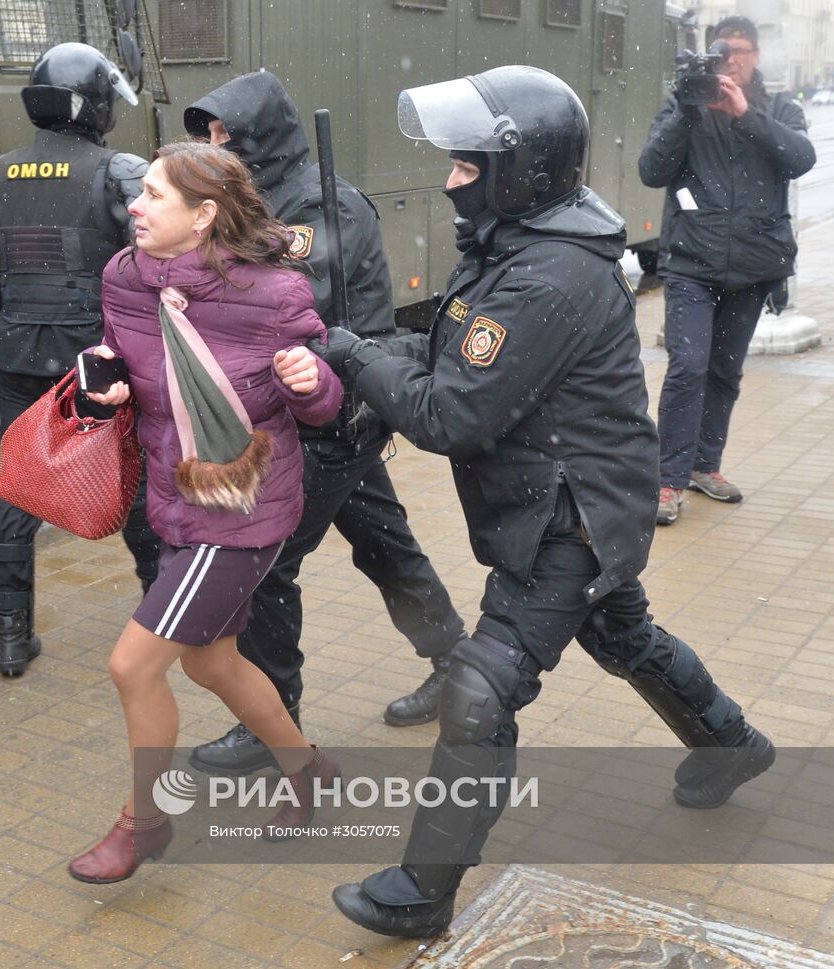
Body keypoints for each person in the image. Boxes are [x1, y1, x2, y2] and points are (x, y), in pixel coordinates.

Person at [315, 66, 775, 939]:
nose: (451, 176)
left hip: (573, 516)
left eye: (467, 162)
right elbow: (454, 357)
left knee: (480, 687)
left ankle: (421, 890)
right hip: (577, 498)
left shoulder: (546, 275)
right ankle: (732, 745)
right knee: (622, 633)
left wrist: (350, 354)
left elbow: (450, 411)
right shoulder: (516, 245)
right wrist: (377, 353)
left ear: (518, 170)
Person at [123, 73, 465, 775]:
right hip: (325, 415)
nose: (214, 145)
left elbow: (283, 306)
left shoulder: (316, 209)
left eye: (225, 134)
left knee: (266, 570)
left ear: (261, 137)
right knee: (384, 541)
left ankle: (274, 719)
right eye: (209, 134)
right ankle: (455, 663)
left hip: (328, 419)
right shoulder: (263, 202)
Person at [66, 140, 344, 884]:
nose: (136, 204)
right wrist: (109, 385)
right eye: (142, 192)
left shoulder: (274, 295)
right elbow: (119, 357)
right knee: (210, 660)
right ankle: (308, 771)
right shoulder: (124, 278)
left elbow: (324, 404)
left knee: (132, 664)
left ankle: (144, 822)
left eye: (155, 194)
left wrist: (308, 379)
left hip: (243, 511)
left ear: (204, 216)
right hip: (175, 501)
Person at [0, 42, 149, 677]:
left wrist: (0, 346)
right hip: (102, 363)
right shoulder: (122, 171)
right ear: (93, 104)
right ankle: (166, 620)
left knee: (18, 489)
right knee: (137, 483)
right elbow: (154, 276)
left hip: (20, 357)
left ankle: (12, 638)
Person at [638, 16, 815, 525]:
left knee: (725, 373)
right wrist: (689, 114)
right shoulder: (683, 107)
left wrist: (745, 115)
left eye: (740, 50)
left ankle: (704, 466)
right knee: (688, 367)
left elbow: (800, 159)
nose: (731, 60)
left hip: (755, 265)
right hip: (692, 263)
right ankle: (667, 481)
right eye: (722, 51)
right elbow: (652, 170)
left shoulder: (778, 108)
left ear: (756, 55)